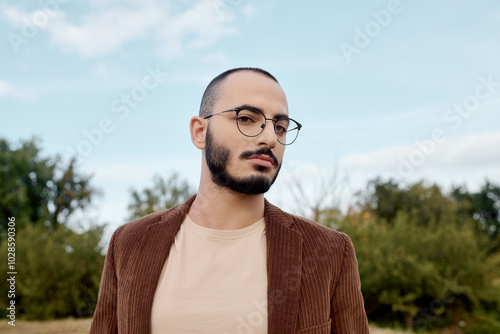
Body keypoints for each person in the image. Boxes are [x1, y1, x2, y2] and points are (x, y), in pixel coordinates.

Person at [90, 67, 369, 333]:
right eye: (247, 118)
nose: (270, 138)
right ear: (200, 132)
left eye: (281, 127)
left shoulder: (330, 252)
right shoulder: (129, 243)